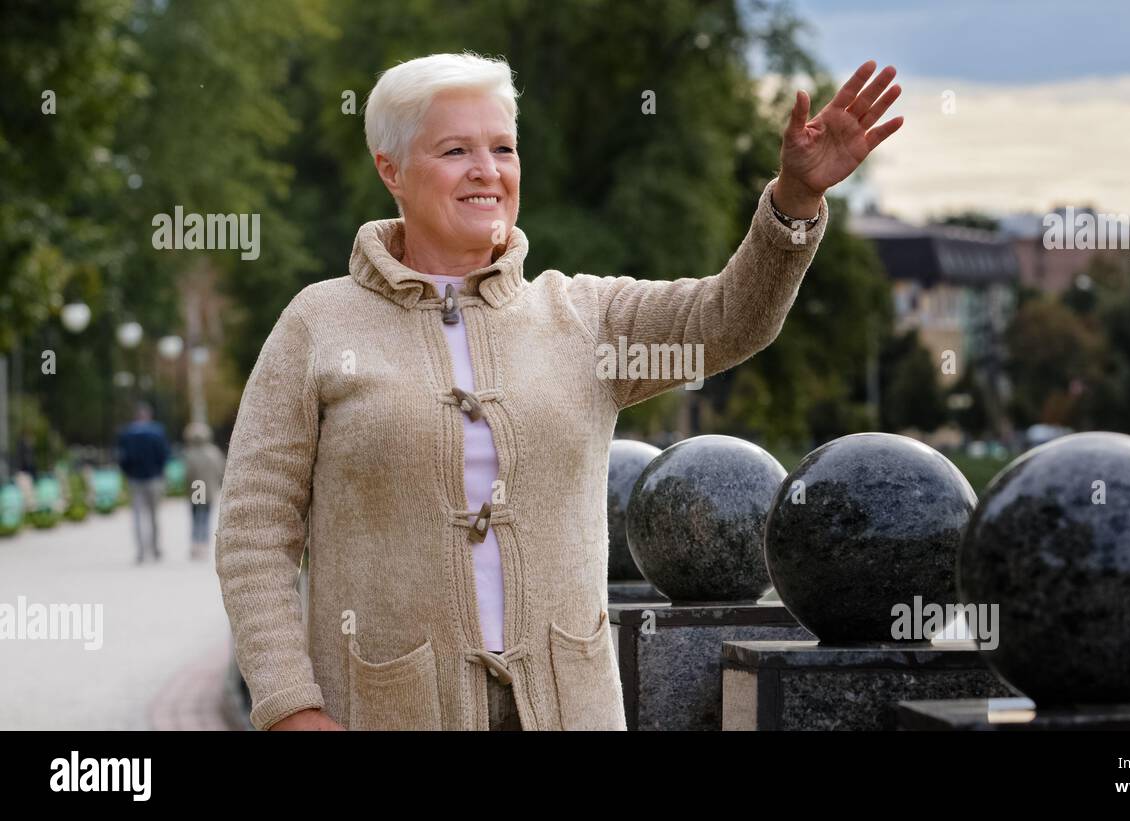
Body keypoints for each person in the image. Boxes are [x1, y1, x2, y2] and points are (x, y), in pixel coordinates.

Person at [215, 51, 903, 731]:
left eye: (503, 148)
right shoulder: (316, 323)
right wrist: (290, 707)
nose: (487, 170)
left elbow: (730, 319)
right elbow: (253, 532)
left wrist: (796, 199)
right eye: (455, 149)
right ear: (389, 167)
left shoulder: (584, 317)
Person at [117, 401, 171, 564]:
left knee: (137, 516)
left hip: (135, 479)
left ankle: (140, 551)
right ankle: (155, 548)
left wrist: (128, 473)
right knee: (154, 516)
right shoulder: (157, 432)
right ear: (149, 415)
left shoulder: (126, 434)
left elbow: (122, 457)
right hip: (154, 478)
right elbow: (165, 455)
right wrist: (160, 471)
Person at [182, 422, 226, 561]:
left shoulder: (190, 454)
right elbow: (220, 471)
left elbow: (188, 475)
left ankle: (196, 544)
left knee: (196, 518)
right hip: (208, 489)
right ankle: (204, 544)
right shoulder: (213, 452)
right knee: (205, 518)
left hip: (196, 489)